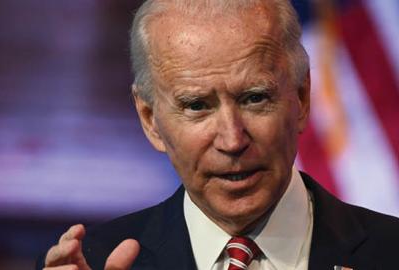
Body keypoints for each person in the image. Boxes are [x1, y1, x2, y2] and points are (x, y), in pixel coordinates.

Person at [40, 0, 399, 269]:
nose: (232, 140)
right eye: (197, 106)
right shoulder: (93, 261)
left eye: (255, 98)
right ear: (150, 119)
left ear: (302, 98)